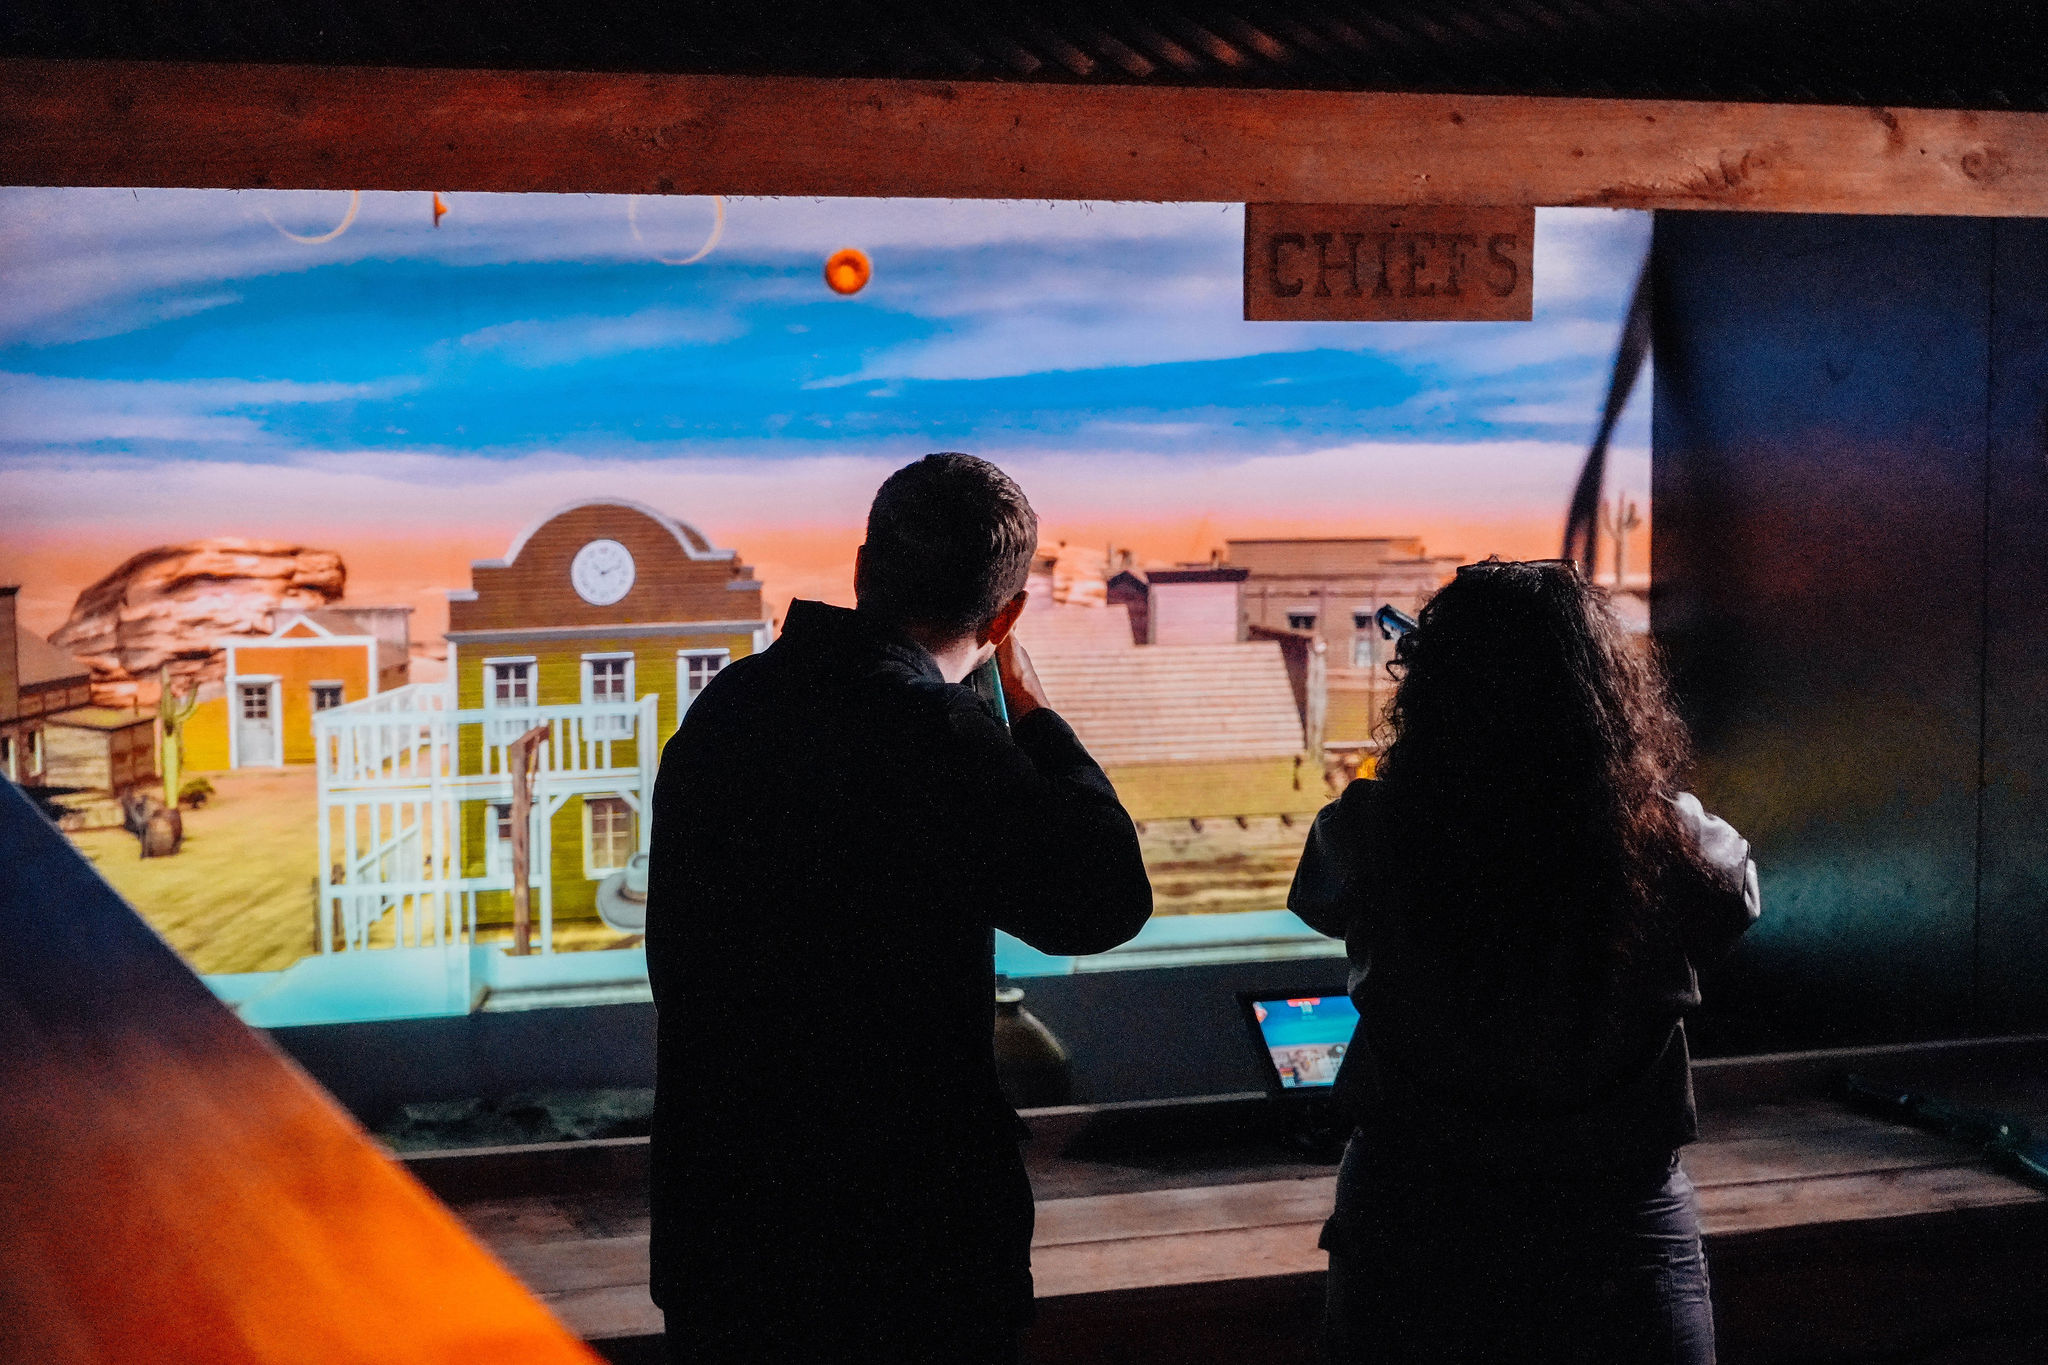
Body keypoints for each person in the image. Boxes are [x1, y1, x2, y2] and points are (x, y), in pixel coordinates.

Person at [646, 453, 1153, 1365]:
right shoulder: (937, 735)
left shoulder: (728, 708)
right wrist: (1034, 715)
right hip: (905, 1256)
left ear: (861, 569)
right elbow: (1104, 898)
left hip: (724, 1234)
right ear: (1004, 618)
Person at [1290, 559, 1760, 1365]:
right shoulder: (1671, 838)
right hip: (1617, 1232)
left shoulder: (1368, 828)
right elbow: (1734, 899)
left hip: (1414, 1225)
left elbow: (1324, 894)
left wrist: (1433, 754)